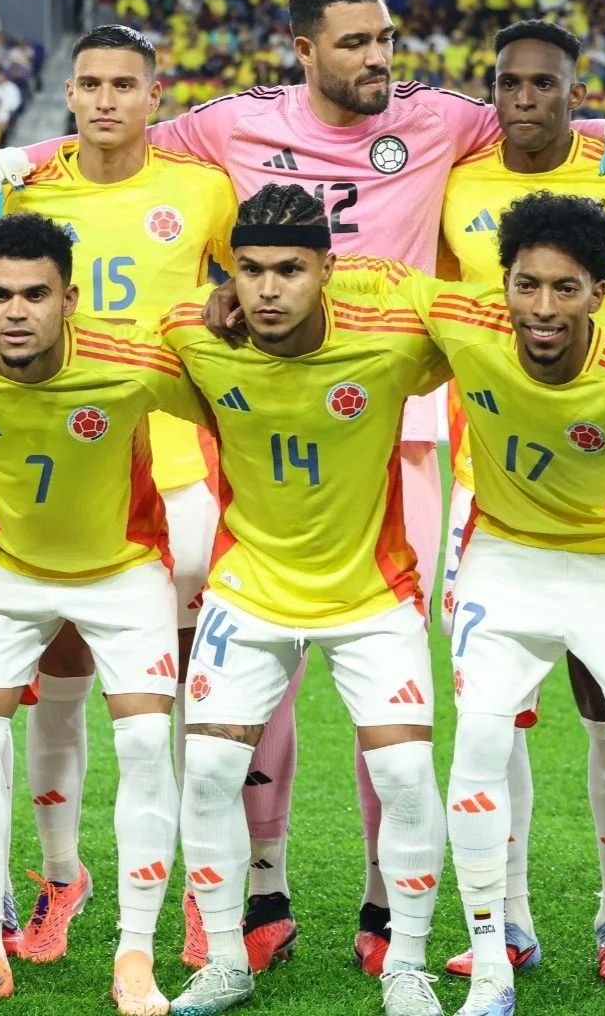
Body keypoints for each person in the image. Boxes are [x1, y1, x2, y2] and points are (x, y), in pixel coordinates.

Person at [0, 0, 605, 968]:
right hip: (263, 421)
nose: (379, 59)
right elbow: (117, 142)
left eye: (385, 39)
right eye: (355, 43)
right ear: (303, 50)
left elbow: (541, 119)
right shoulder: (231, 126)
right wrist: (12, 159)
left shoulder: (441, 120)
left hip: (395, 426)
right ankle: (256, 899)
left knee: (383, 679)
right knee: (254, 679)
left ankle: (380, 903)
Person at [351, 192, 605, 1016]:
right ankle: (491, 968)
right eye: (526, 285)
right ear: (505, 282)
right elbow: (373, 276)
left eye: (564, 288)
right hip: (505, 560)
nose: (542, 308)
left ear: (600, 291)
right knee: (478, 741)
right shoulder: (466, 318)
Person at [0, 212, 207, 1014]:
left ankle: (135, 954)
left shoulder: (132, 360)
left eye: (35, 294)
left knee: (146, 742)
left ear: (69, 297)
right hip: (6, 568)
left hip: (125, 567)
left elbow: (232, 404)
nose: (15, 311)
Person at [162, 184, 450, 1016]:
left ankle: (409, 963)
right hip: (251, 586)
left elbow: (471, 324)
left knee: (402, 770)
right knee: (211, 767)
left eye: (291, 269)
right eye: (249, 270)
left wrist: (373, 280)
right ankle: (224, 959)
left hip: (370, 589)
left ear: (326, 269)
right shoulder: (196, 335)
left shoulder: (391, 344)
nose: (267, 288)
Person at [0, 24, 238, 968]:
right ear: (68, 94)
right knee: (58, 689)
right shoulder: (25, 191)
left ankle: (186, 889)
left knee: (179, 698)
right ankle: (64, 878)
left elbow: (263, 279)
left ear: (153, 94)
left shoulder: (201, 190)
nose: (104, 99)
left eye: (123, 84)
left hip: (178, 472)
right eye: (88, 82)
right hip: (64, 479)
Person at [433, 18, 605, 984]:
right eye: (509, 83)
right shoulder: (460, 181)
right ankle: (507, 917)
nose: (524, 99)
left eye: (543, 84)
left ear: (573, 91)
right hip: (488, 492)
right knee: (494, 713)